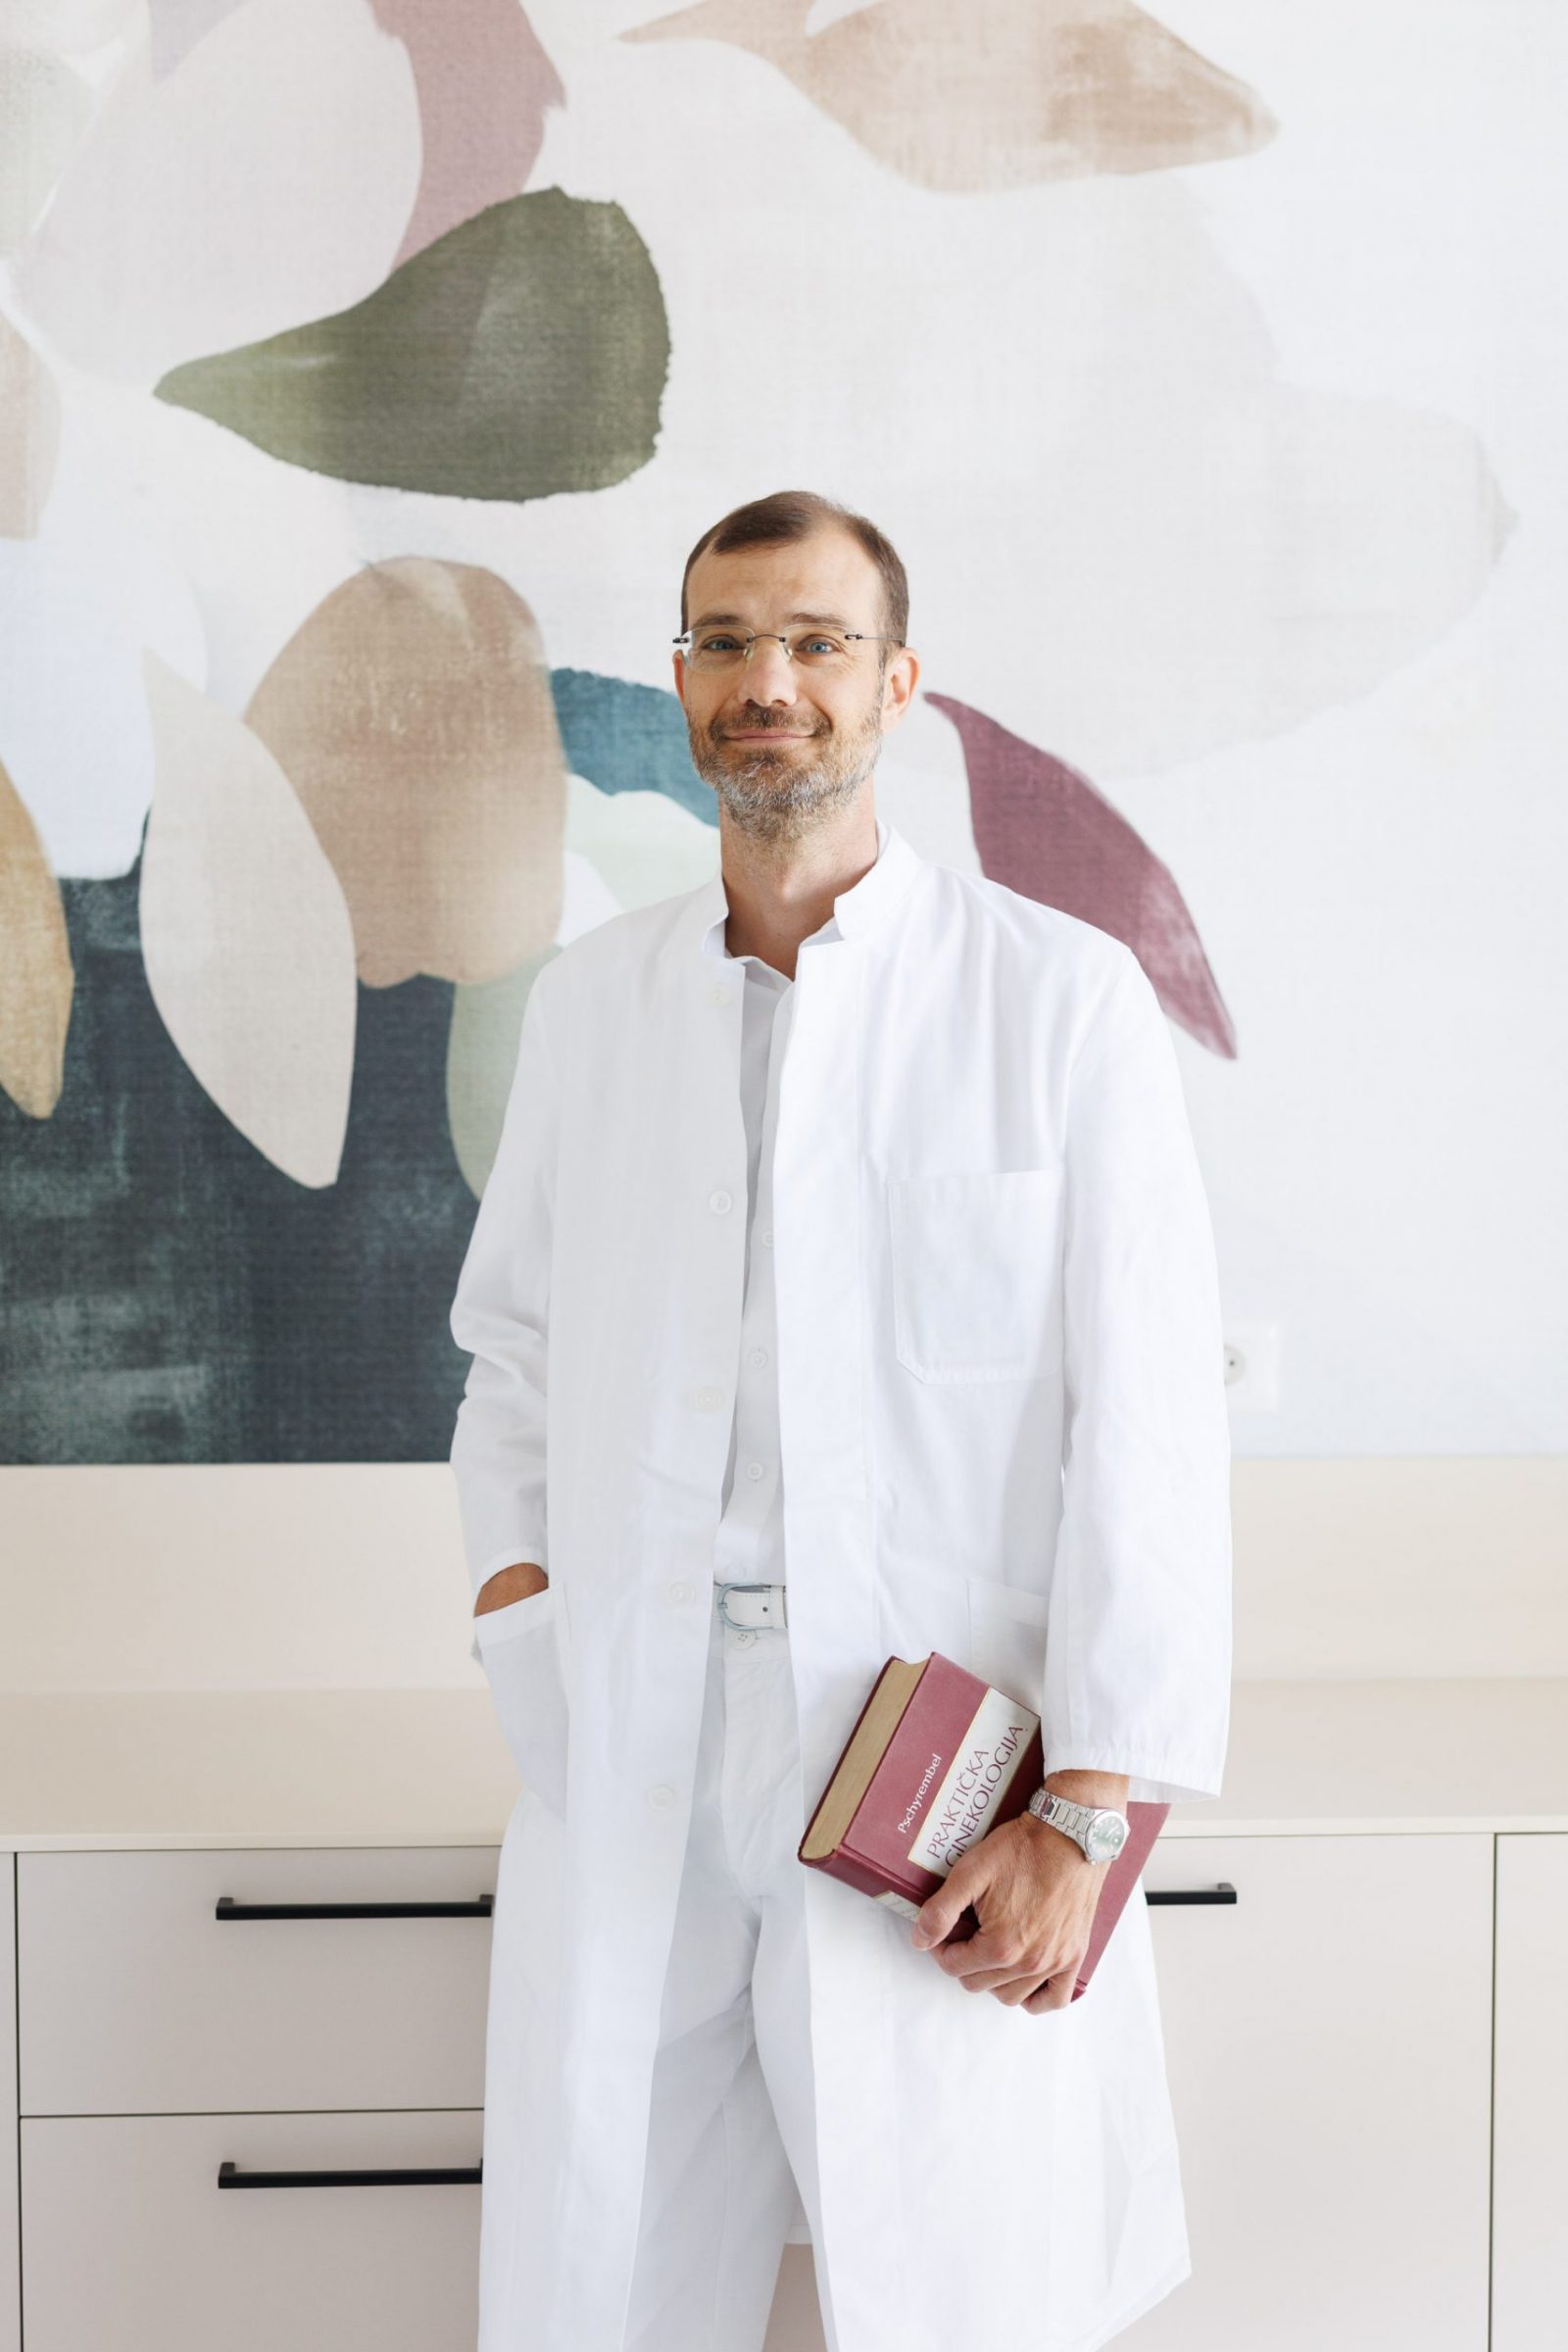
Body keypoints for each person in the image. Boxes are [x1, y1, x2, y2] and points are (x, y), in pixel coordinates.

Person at [448, 489, 1232, 2352]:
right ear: (682, 685)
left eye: (811, 644)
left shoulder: (1057, 1004)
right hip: (636, 1740)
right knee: (604, 2288)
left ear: (895, 682)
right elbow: (515, 1354)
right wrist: (523, 1610)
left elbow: (1151, 1426)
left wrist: (1095, 1805)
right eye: (725, 644)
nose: (766, 683)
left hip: (933, 1773)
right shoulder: (596, 1005)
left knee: (962, 2289)